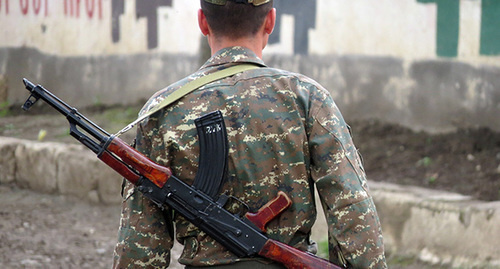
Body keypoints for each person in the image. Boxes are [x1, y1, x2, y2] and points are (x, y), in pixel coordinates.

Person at [112, 0, 387, 268]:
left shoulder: (164, 109)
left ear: (202, 22)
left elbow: (140, 244)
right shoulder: (307, 98)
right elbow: (352, 210)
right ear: (271, 21)